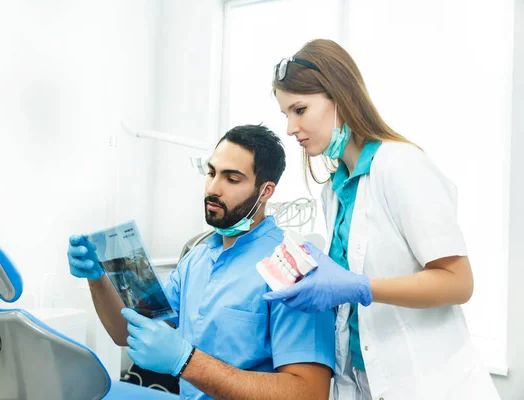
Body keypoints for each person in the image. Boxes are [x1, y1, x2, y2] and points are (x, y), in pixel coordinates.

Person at [264, 39, 500, 400]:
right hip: (362, 380)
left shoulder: (400, 166)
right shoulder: (334, 191)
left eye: (300, 109)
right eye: (286, 115)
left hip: (430, 383)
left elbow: (458, 283)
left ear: (339, 97)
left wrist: (360, 286)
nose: (291, 127)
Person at [68, 124, 336, 400]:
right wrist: (98, 278)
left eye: (232, 179)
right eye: (211, 173)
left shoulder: (293, 268)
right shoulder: (197, 257)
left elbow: (310, 393)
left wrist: (186, 361)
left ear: (265, 191)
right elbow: (127, 333)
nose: (213, 188)